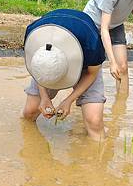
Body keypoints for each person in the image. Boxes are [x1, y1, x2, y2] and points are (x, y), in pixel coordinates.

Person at [22, 9, 107, 141]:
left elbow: (92, 73)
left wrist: (68, 101)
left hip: (86, 66)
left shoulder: (91, 42)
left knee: (94, 122)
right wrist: (44, 97)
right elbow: (37, 69)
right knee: (29, 113)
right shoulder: (33, 36)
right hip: (46, 57)